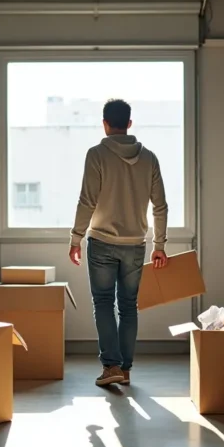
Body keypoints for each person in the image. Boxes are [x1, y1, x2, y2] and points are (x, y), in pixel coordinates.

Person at [68, 99, 169, 387]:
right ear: (129, 123)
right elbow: (160, 206)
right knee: (128, 306)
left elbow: (87, 200)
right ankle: (124, 370)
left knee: (103, 303)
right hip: (135, 244)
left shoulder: (96, 154)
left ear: (105, 124)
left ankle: (110, 365)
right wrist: (159, 245)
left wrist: (76, 238)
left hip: (101, 241)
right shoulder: (149, 158)